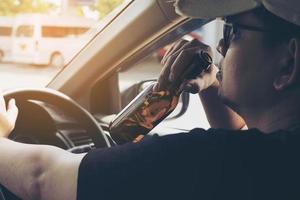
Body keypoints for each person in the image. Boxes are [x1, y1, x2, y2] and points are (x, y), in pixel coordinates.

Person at [0, 0, 300, 199]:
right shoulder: (276, 159)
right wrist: (210, 87)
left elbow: (39, 179)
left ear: (288, 64)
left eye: (234, 32)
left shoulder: (205, 161)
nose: (220, 44)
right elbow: (243, 141)